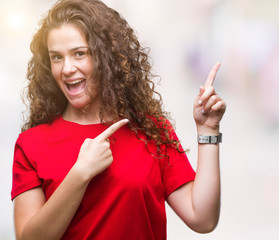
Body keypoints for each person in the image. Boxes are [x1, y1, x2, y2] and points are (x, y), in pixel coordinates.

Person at [11, 0, 226, 239]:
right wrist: (80, 174)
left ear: (107, 56)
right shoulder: (31, 144)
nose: (67, 68)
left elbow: (202, 219)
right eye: (57, 57)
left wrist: (208, 131)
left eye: (79, 53)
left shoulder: (151, 130)